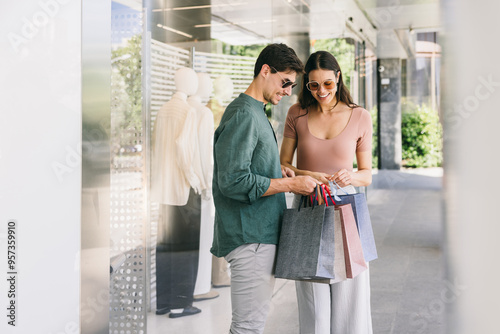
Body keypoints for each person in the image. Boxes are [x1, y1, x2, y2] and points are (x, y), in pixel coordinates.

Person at [211, 43, 319, 334]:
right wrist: (290, 183)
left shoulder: (256, 111)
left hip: (257, 235)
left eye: (292, 85)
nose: (287, 91)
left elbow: (246, 168)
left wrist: (275, 170)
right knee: (248, 327)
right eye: (285, 82)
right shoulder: (244, 114)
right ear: (265, 70)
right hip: (251, 238)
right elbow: (232, 180)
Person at [280, 50, 374, 333]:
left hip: (346, 209)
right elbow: (284, 163)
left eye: (328, 84)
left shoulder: (360, 116)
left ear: (338, 78)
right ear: (307, 84)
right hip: (307, 206)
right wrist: (309, 174)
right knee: (313, 302)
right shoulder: (297, 113)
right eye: (314, 85)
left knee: (351, 298)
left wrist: (351, 176)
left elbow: (367, 174)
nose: (322, 91)